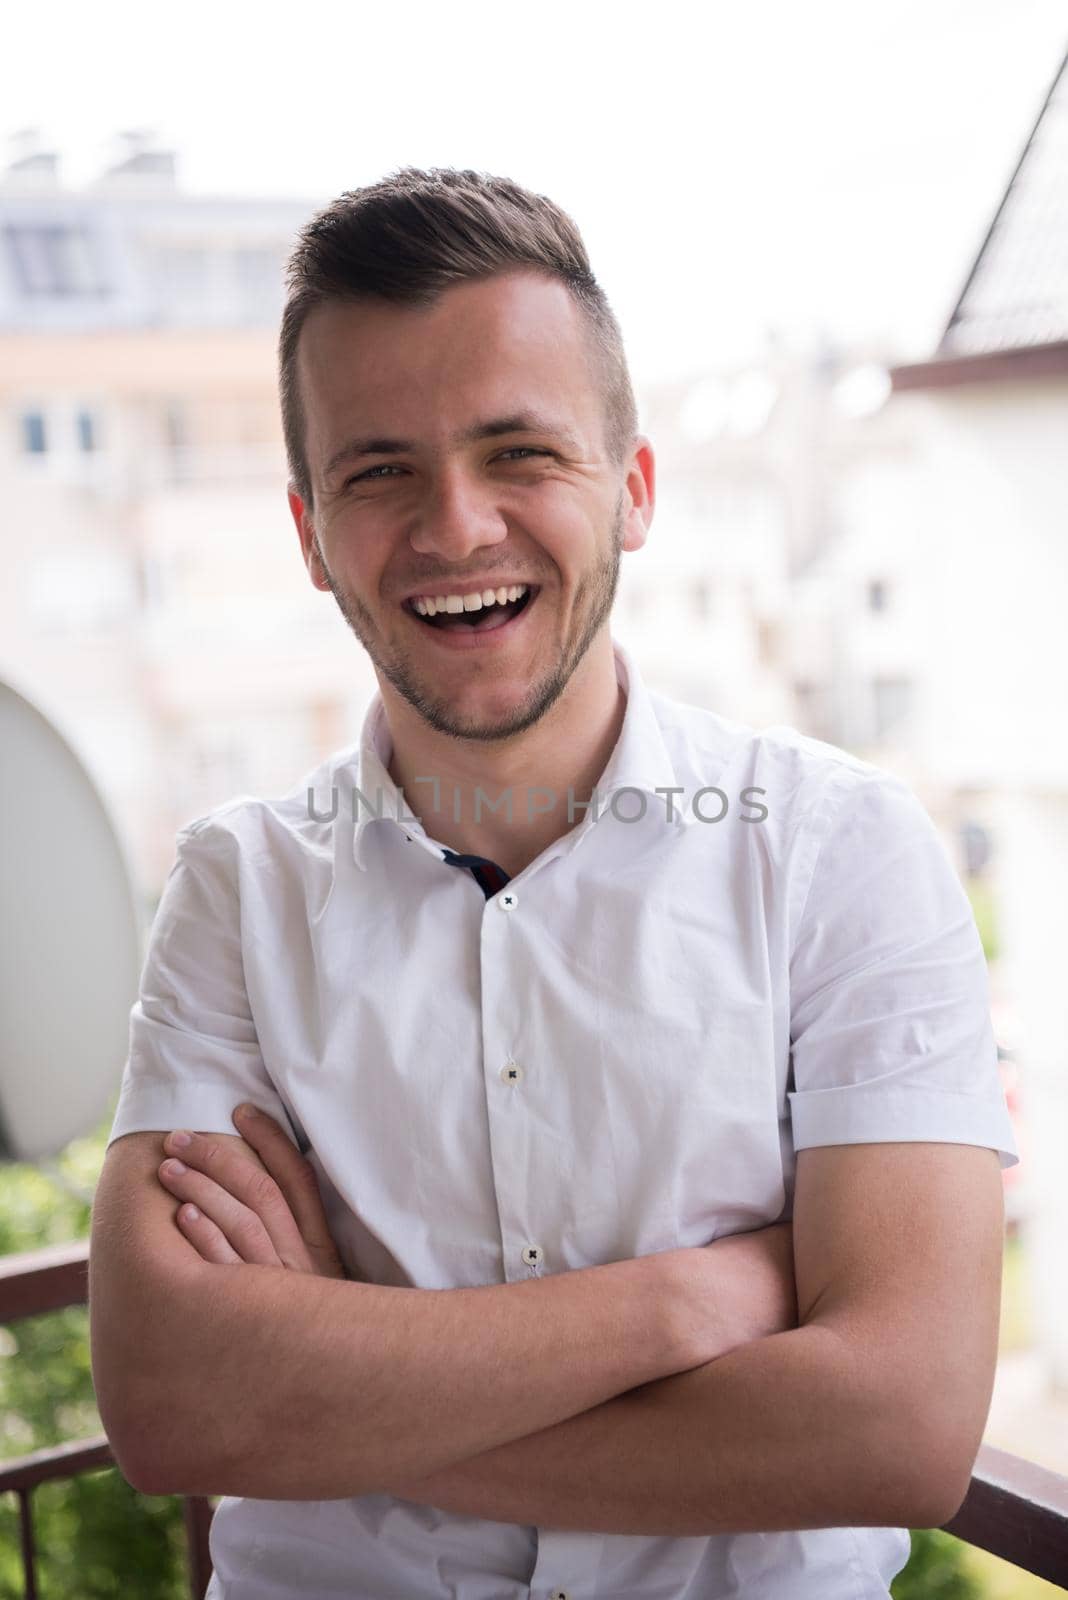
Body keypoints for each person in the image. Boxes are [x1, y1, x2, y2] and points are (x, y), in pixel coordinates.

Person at [90, 166, 1018, 1599]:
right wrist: (688, 1301)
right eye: (378, 470)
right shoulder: (237, 886)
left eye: (519, 453)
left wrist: (334, 1386)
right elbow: (169, 1408)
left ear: (631, 490)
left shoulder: (845, 849)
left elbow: (898, 1430)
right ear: (309, 536)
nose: (456, 527)